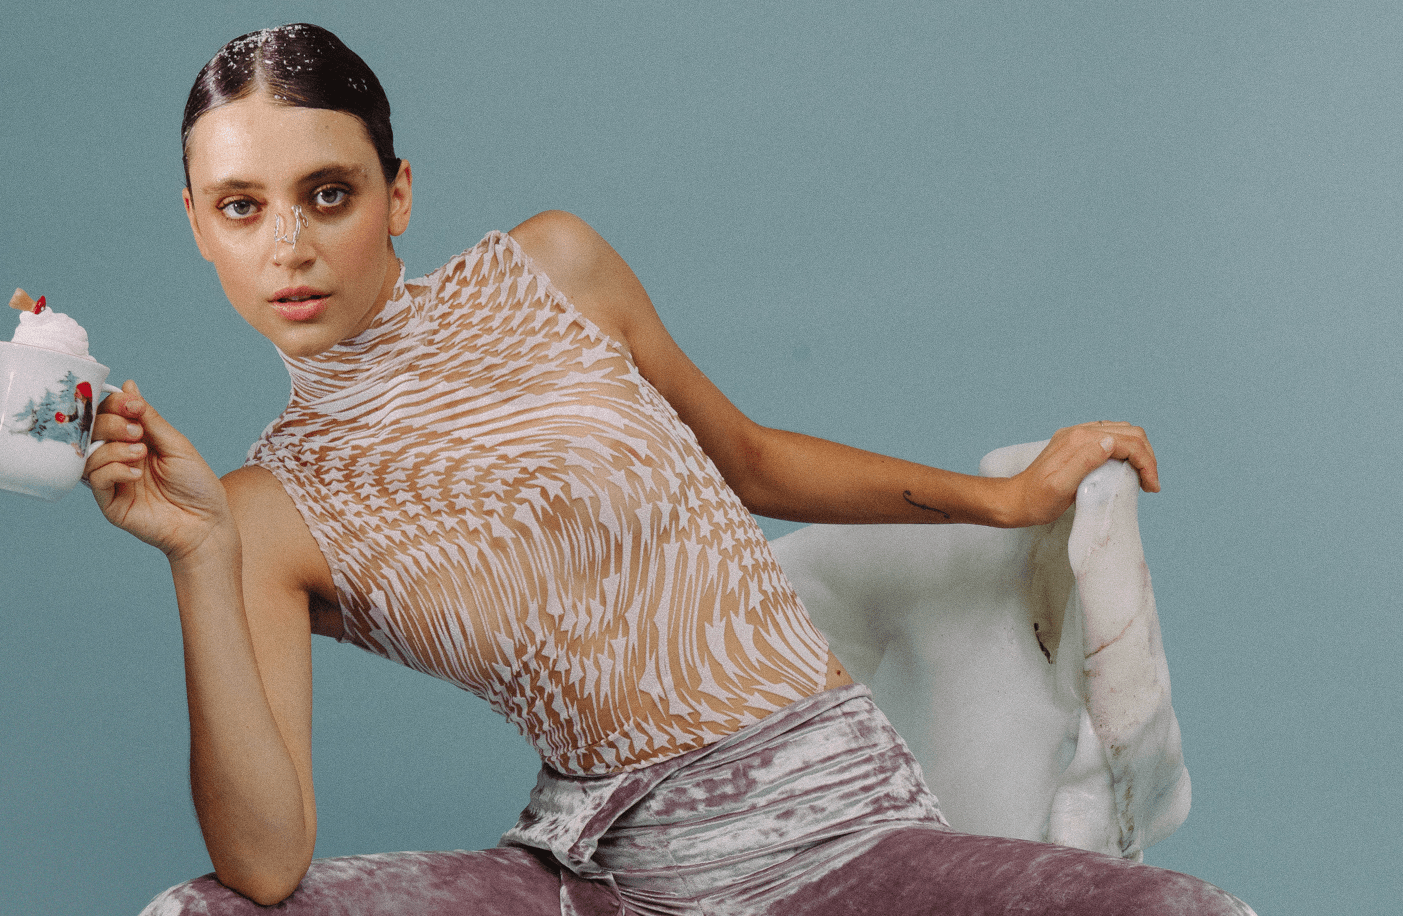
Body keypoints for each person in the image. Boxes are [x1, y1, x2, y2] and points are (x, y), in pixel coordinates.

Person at [87, 23, 1253, 916]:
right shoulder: (260, 512)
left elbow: (745, 458)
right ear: (197, 224)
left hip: (837, 832)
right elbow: (265, 862)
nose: (288, 246)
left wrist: (998, 499)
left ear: (397, 194)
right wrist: (196, 551)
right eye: (242, 208)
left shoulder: (551, 270)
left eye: (327, 193)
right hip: (597, 876)